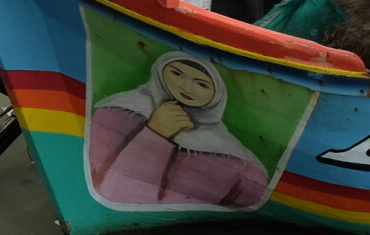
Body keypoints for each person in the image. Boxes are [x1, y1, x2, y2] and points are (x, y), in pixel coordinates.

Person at [86, 52, 271, 210]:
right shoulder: (118, 113)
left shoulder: (234, 159)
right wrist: (156, 132)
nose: (186, 87)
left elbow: (254, 196)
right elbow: (117, 192)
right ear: (160, 71)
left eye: (201, 84)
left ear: (217, 94)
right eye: (176, 73)